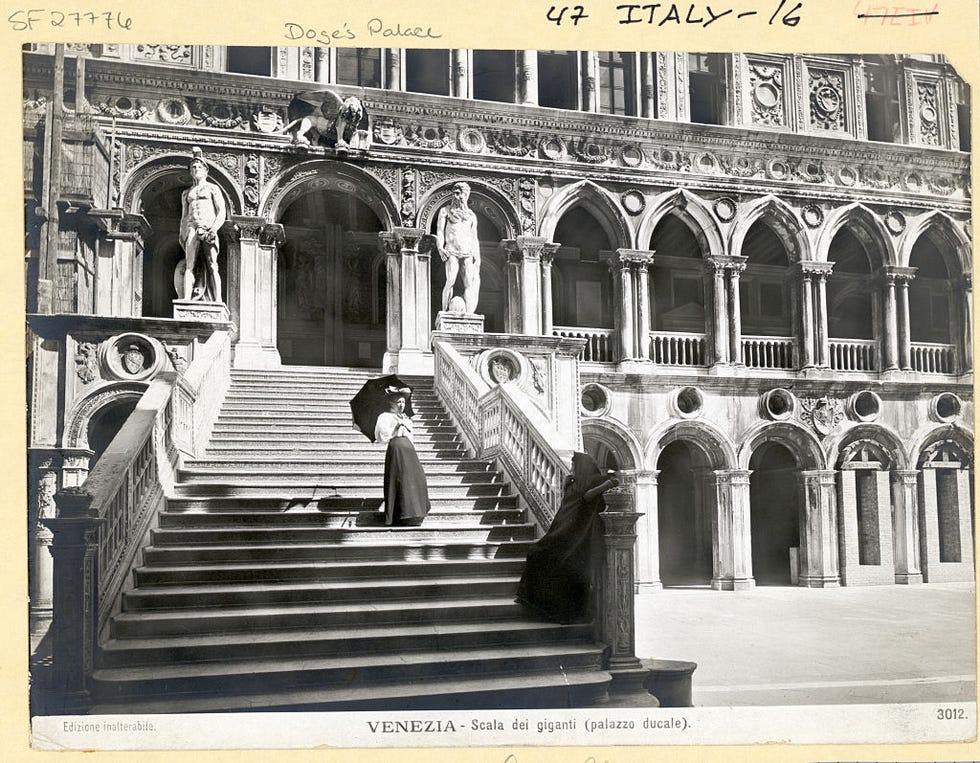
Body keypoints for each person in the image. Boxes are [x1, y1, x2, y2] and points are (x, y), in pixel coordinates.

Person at [515, 452, 619, 624]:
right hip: (564, 533)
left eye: (574, 465)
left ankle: (558, 611)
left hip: (579, 536)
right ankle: (536, 603)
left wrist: (607, 484)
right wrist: (565, 487)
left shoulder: (596, 480)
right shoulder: (573, 483)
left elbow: (588, 497)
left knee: (561, 562)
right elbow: (568, 509)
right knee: (535, 553)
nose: (571, 469)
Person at [375, 390, 431, 526]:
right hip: (396, 449)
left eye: (403, 402)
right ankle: (400, 516)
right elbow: (382, 437)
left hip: (409, 450)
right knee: (399, 480)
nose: (401, 404)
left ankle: (415, 513)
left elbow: (411, 437)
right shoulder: (385, 417)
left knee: (418, 478)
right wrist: (395, 428)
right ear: (392, 403)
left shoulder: (407, 418)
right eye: (398, 402)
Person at [178, 147, 226, 302]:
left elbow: (221, 211)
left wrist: (214, 228)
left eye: (199, 167)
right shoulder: (186, 193)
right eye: (193, 167)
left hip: (207, 228)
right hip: (192, 228)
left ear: (206, 171)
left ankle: (218, 300)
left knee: (213, 265)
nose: (196, 169)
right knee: (189, 264)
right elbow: (184, 216)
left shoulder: (213, 188)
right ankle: (186, 298)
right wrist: (181, 233)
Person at [435, 181, 481, 313]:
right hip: (451, 251)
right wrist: (440, 247)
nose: (461, 197)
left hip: (467, 251)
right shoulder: (445, 211)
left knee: (469, 284)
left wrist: (478, 258)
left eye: (464, 194)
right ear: (454, 195)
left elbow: (474, 238)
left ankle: (469, 313)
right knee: (450, 280)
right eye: (457, 194)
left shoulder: (471, 215)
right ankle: (444, 312)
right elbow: (439, 230)